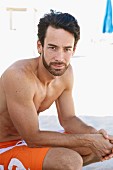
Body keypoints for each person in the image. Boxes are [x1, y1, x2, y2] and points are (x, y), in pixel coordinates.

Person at [0, 9, 113, 170]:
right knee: (69, 161)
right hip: (4, 146)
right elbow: (32, 137)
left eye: (67, 49)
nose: (60, 58)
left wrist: (96, 135)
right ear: (40, 46)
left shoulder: (66, 73)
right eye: (53, 48)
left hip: (26, 142)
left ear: (74, 49)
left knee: (101, 146)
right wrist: (89, 140)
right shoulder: (18, 76)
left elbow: (68, 119)